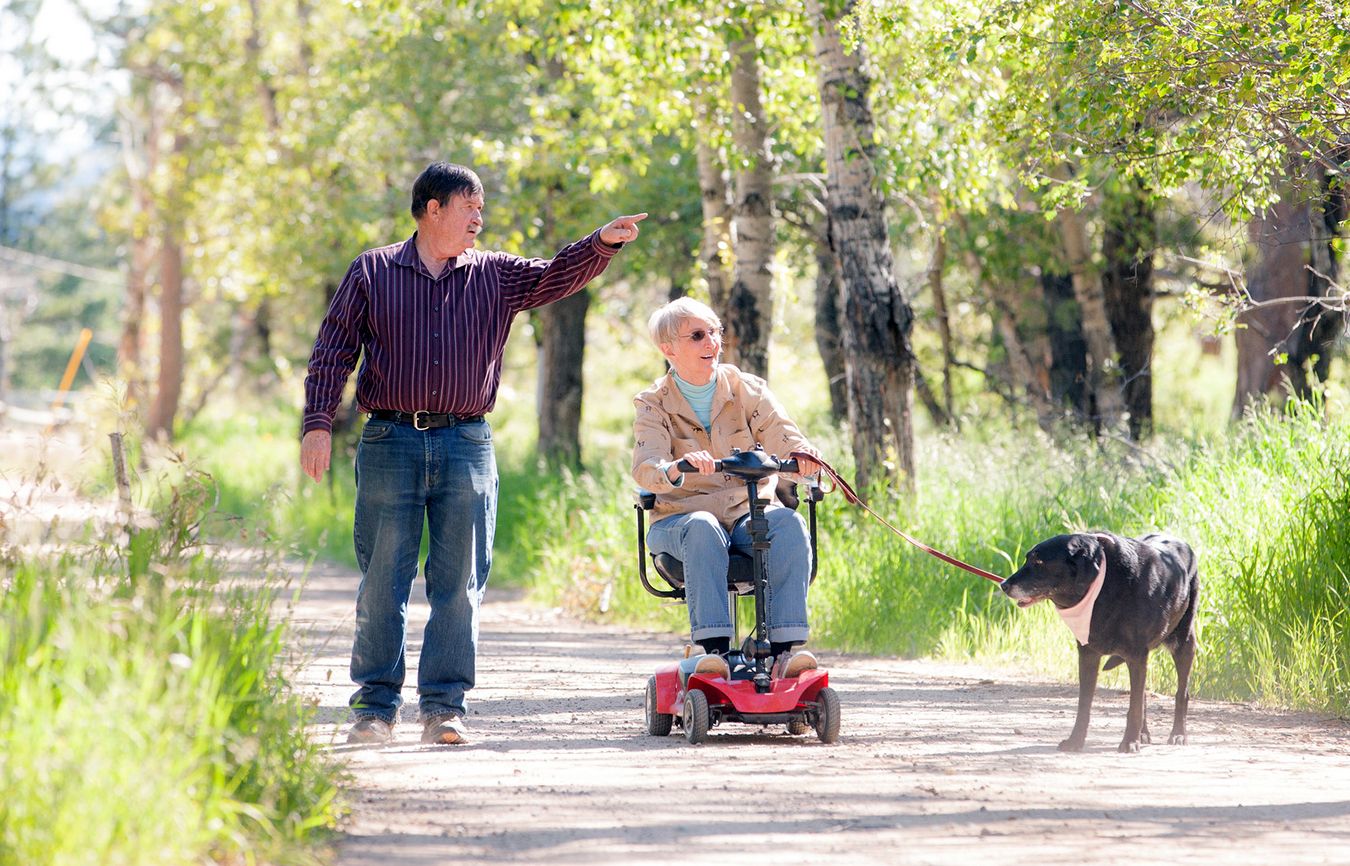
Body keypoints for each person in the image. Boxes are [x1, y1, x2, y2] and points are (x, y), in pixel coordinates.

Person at [301, 162, 646, 746]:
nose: (479, 218)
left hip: (467, 443)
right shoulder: (373, 270)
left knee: (460, 582)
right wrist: (317, 423)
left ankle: (443, 708)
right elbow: (332, 350)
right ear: (432, 208)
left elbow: (554, 277)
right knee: (383, 579)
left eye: (481, 208)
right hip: (390, 440)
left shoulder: (494, 274)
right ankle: (374, 710)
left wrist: (600, 244)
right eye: (469, 206)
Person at [631, 297, 822, 681]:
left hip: (743, 513)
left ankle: (785, 653)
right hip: (679, 520)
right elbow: (645, 466)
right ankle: (713, 652)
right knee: (702, 526)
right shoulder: (653, 404)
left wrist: (800, 453)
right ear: (668, 348)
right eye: (698, 335)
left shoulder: (745, 388)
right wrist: (674, 468)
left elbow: (780, 431)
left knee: (785, 523)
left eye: (715, 332)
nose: (712, 343)